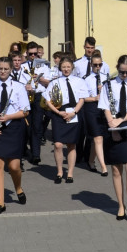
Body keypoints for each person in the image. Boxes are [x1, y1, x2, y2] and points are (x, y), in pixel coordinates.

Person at [0, 57, 31, 215]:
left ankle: (18, 188)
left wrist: (9, 117)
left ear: (10, 70)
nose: (2, 71)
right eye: (0, 68)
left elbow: (25, 111)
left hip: (13, 125)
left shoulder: (18, 87)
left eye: (6, 69)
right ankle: (0, 203)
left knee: (14, 166)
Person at [99, 55, 127, 222]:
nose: (124, 75)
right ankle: (120, 205)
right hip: (113, 128)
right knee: (116, 169)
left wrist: (122, 120)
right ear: (117, 68)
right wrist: (113, 127)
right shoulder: (108, 85)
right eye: (122, 72)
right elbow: (105, 108)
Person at [47, 55, 87, 183]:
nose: (66, 69)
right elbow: (48, 101)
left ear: (72, 67)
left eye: (68, 67)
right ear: (60, 68)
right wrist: (58, 112)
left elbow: (82, 98)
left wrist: (74, 112)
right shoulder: (54, 82)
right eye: (63, 67)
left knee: (71, 144)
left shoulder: (79, 81)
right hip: (59, 113)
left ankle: (69, 173)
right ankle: (59, 171)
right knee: (58, 144)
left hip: (74, 112)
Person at [82, 52, 110, 176]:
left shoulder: (106, 78)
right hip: (91, 108)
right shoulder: (86, 79)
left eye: (99, 65)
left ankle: (91, 160)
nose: (97, 67)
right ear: (91, 65)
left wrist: (104, 91)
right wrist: (94, 98)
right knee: (98, 137)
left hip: (104, 109)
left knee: (97, 138)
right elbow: (82, 98)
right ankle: (103, 167)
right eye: (95, 65)